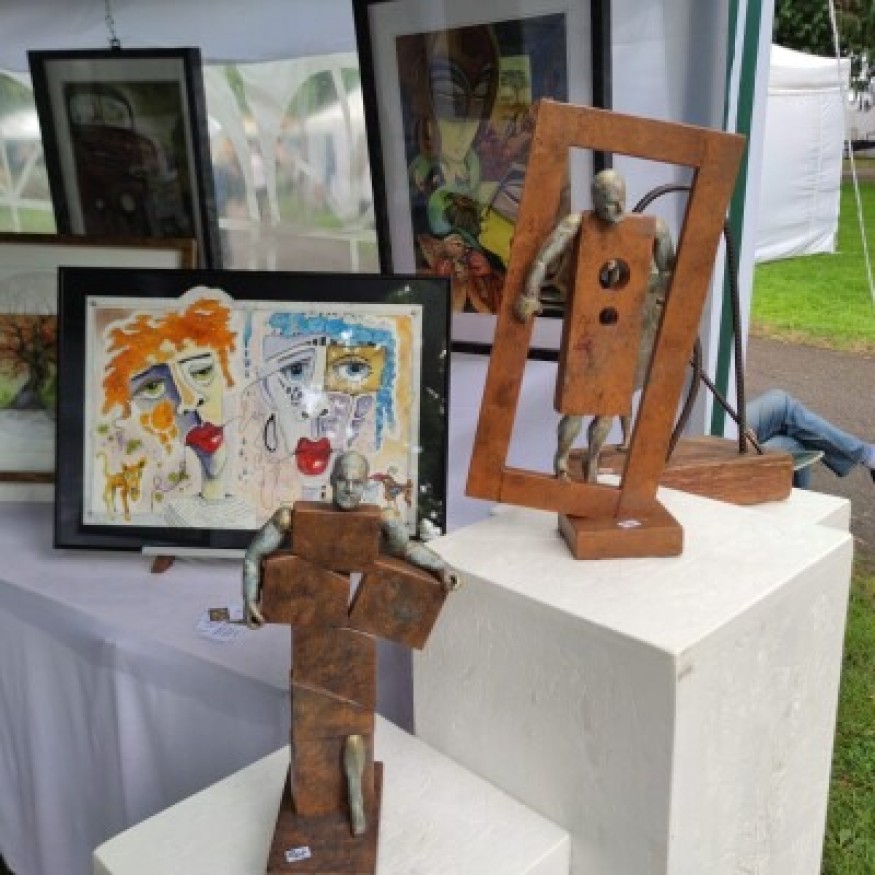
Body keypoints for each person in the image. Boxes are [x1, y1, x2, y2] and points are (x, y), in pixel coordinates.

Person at [746, 389, 875, 489]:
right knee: (790, 447)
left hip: (734, 428)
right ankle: (868, 456)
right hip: (733, 444)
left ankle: (867, 455)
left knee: (780, 403)